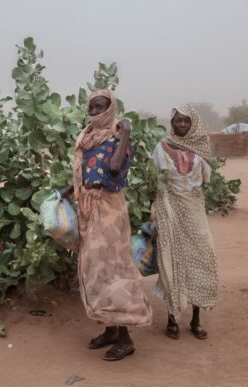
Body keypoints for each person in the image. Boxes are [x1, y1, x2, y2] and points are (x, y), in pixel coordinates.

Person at [60, 89, 152, 361]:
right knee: (96, 270)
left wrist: (125, 134)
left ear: (110, 109)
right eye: (91, 107)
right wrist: (66, 191)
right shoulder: (87, 138)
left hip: (110, 210)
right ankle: (111, 330)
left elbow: (112, 169)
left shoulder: (117, 139)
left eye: (100, 107)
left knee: (114, 271)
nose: (95, 112)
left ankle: (126, 339)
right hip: (89, 210)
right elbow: (88, 173)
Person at [150, 104, 218, 340]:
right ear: (172, 122)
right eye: (177, 121)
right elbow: (155, 178)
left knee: (201, 259)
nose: (181, 125)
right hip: (169, 210)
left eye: (186, 121)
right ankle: (172, 319)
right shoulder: (161, 147)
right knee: (171, 262)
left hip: (194, 210)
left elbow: (205, 179)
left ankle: (196, 320)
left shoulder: (201, 149)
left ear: (193, 123)